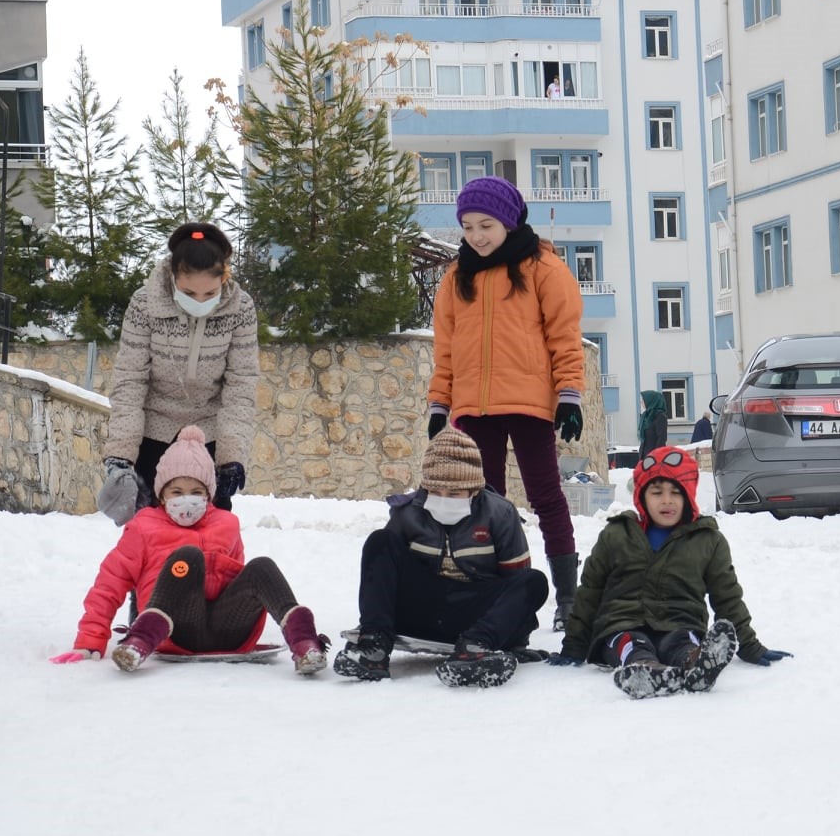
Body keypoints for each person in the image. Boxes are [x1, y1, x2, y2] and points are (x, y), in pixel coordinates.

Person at [426, 176, 586, 631]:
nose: (477, 236)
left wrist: (569, 395)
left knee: (545, 495)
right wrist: (440, 403)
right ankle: (492, 592)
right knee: (486, 504)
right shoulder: (457, 278)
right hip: (475, 408)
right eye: (469, 226)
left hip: (531, 403)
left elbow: (565, 339)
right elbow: (447, 349)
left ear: (509, 222)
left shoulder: (544, 269)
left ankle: (568, 598)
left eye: (487, 225)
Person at [52, 426, 327, 674]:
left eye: (197, 492)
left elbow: (238, 585)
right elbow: (109, 584)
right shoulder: (144, 527)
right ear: (162, 495)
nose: (187, 499)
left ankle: (305, 642)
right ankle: (139, 643)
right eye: (177, 491)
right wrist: (90, 640)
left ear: (209, 495)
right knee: (188, 557)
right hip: (173, 629)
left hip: (227, 627)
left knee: (261, 567)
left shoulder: (226, 524)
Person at [548, 448, 790, 698]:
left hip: (681, 623)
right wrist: (573, 648)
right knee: (630, 642)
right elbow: (589, 592)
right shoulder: (617, 535)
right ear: (642, 496)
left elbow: (727, 598)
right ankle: (643, 669)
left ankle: (696, 664)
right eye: (656, 492)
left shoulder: (707, 540)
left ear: (689, 496)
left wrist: (750, 646)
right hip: (622, 624)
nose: (667, 500)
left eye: (676, 492)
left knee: (683, 642)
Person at [333, 426, 550, 688]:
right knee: (379, 541)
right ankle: (374, 647)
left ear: (474, 490)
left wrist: (513, 639)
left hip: (476, 614)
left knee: (534, 581)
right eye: (436, 492)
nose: (444, 499)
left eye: (454, 494)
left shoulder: (500, 514)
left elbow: (516, 587)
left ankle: (474, 648)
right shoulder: (407, 513)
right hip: (421, 608)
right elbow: (384, 575)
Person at [100, 222, 259, 525]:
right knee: (149, 531)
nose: (199, 302)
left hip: (208, 432)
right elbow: (130, 380)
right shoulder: (145, 304)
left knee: (211, 532)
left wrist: (231, 457)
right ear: (172, 277)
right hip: (153, 431)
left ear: (224, 278)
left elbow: (241, 385)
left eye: (209, 293)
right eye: (188, 292)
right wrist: (121, 455)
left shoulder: (240, 309)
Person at [637, 389, 669, 456]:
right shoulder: (645, 416)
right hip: (644, 456)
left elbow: (661, 438)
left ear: (651, 401)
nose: (641, 402)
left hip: (654, 457)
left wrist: (655, 456)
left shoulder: (660, 416)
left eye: (644, 400)